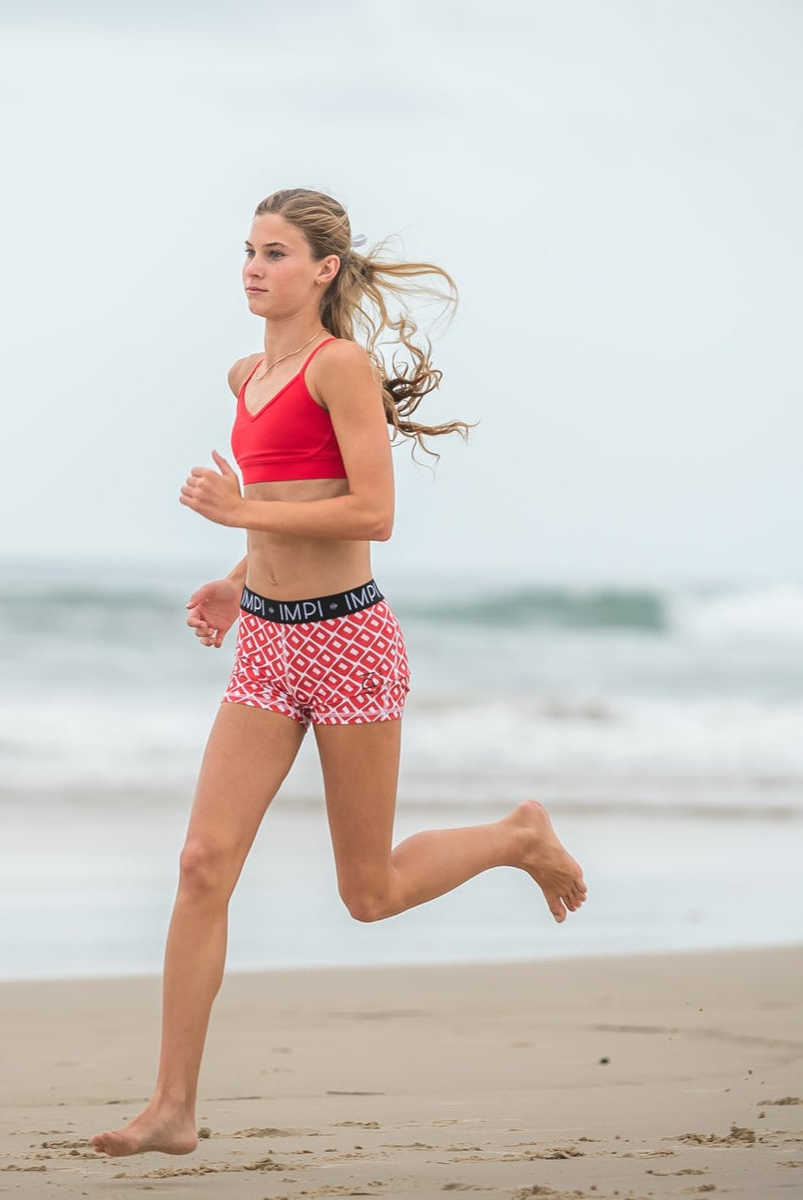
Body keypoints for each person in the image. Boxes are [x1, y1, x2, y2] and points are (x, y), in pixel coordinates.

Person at [90, 188, 586, 1158]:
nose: (253, 267)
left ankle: (519, 836)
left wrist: (239, 520)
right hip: (268, 644)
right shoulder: (245, 375)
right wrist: (239, 579)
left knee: (370, 892)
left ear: (322, 271)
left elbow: (371, 512)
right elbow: (287, 499)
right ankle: (173, 1108)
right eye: (247, 250)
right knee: (200, 867)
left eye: (275, 253)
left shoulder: (341, 367)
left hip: (349, 642)